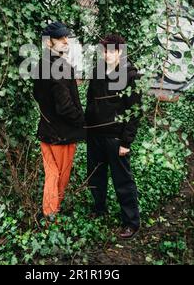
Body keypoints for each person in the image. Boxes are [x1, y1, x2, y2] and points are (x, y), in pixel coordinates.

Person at [85, 34, 142, 239]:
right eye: (104, 51)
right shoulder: (97, 71)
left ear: (120, 52)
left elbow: (135, 111)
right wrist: (87, 127)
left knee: (123, 181)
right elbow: (90, 100)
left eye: (111, 51)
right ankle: (99, 209)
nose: (106, 54)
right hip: (95, 136)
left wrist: (126, 141)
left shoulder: (130, 76)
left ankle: (131, 222)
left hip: (116, 138)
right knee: (96, 176)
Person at [33, 22, 85, 221]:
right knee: (60, 176)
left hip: (46, 130)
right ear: (48, 43)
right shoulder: (60, 67)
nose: (66, 41)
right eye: (60, 38)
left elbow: (37, 95)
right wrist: (81, 121)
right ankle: (51, 212)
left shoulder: (40, 64)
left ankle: (48, 211)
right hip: (62, 134)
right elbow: (65, 106)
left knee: (51, 173)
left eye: (66, 37)